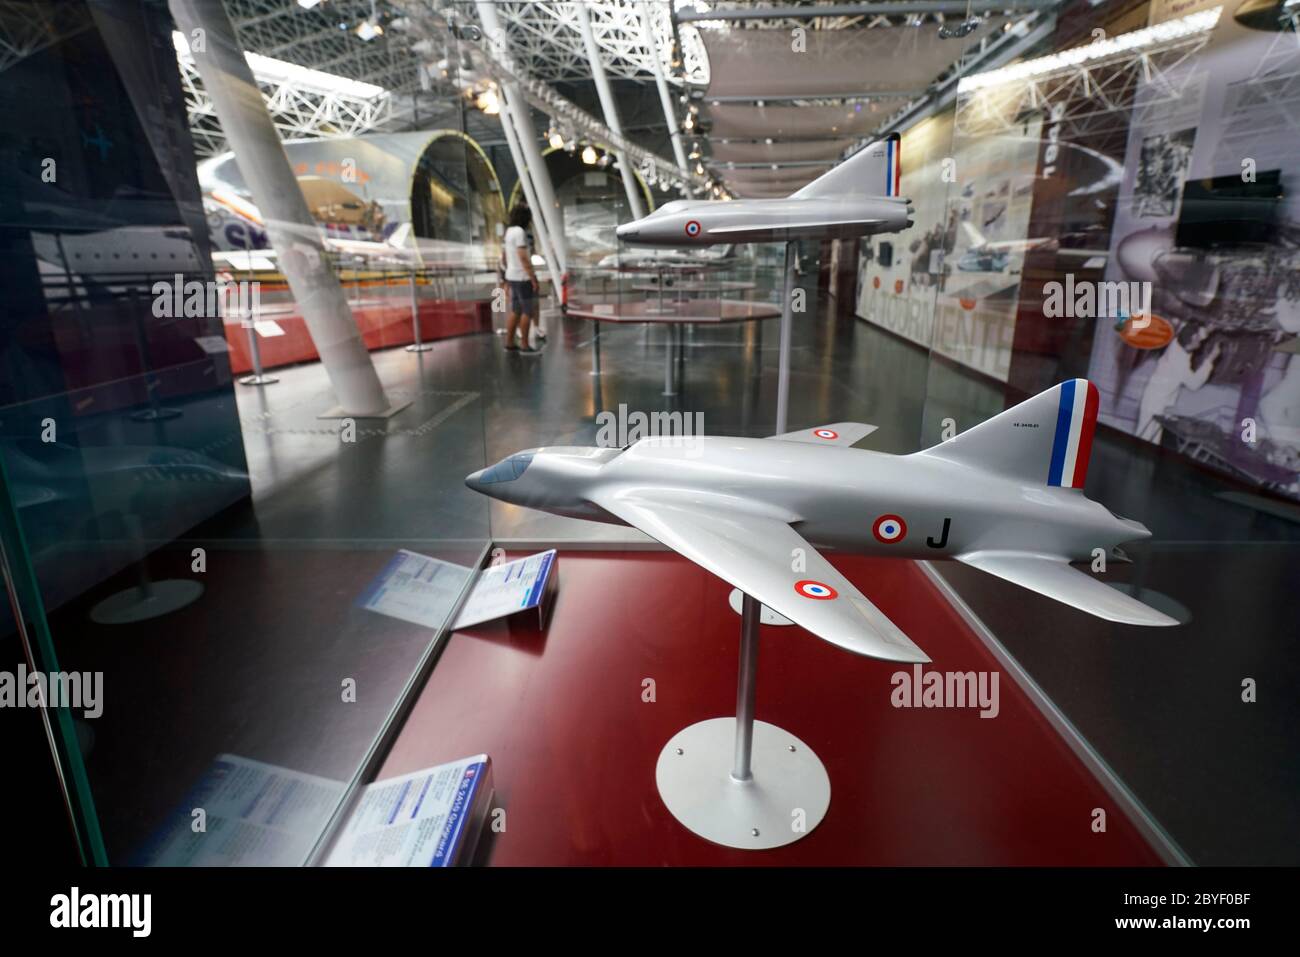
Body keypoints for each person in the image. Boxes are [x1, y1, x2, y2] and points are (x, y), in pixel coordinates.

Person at [502, 205, 540, 352]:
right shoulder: (520, 232)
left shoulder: (509, 231)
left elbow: (506, 256)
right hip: (522, 277)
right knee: (527, 311)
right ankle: (524, 344)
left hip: (512, 275)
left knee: (516, 310)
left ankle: (510, 342)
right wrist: (533, 278)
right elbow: (523, 257)